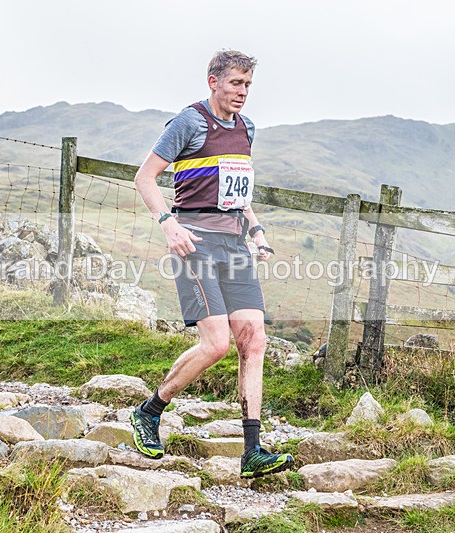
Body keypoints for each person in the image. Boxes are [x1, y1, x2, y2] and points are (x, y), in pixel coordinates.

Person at [130, 49, 294, 479]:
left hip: (236, 245)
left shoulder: (247, 129)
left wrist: (255, 229)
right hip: (195, 243)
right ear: (213, 81)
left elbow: (238, 193)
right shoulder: (189, 122)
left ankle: (252, 450)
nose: (243, 93)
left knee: (253, 340)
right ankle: (150, 411)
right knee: (216, 344)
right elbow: (144, 177)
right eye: (236, 83)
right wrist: (168, 224)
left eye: (248, 86)